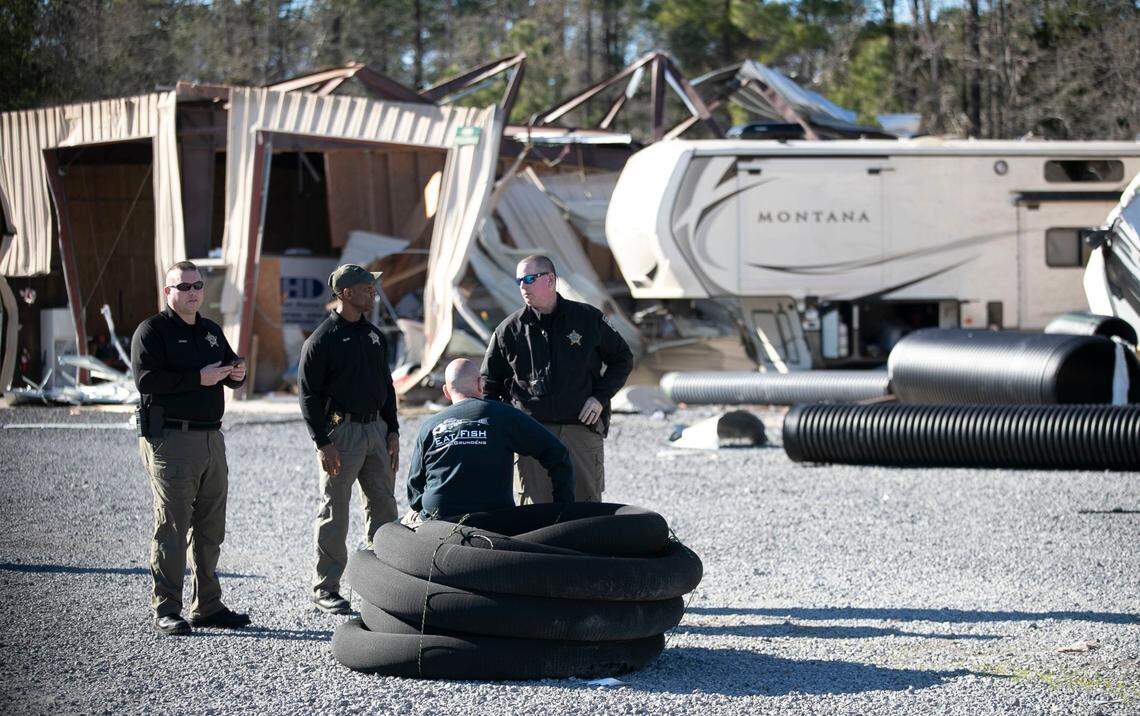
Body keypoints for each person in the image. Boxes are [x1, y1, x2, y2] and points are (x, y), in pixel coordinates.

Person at [132, 260, 250, 636]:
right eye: (183, 287)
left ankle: (208, 605)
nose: (193, 292)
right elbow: (146, 379)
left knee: (211, 525)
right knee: (173, 525)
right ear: (168, 292)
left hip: (211, 437)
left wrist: (238, 373)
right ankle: (167, 607)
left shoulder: (210, 331)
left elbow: (229, 369)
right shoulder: (153, 331)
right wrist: (197, 379)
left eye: (197, 285)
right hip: (172, 438)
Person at [481, 254, 634, 504]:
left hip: (579, 430)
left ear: (550, 280)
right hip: (531, 436)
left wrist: (599, 397)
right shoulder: (509, 330)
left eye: (530, 279)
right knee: (534, 514)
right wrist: (506, 426)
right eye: (519, 280)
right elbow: (489, 383)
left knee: (586, 511)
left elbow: (622, 359)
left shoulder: (587, 319)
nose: (523, 286)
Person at [298, 264, 400, 615]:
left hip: (376, 431)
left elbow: (387, 387)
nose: (373, 292)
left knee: (384, 506)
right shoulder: (323, 339)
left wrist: (393, 430)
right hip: (341, 434)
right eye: (367, 288)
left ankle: (384, 584)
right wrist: (322, 442)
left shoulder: (373, 336)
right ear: (345, 294)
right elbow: (308, 395)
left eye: (373, 286)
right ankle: (326, 587)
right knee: (335, 510)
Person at [404, 358, 573, 522]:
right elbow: (556, 451)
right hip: (496, 518)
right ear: (480, 384)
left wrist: (427, 510)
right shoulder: (505, 415)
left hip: (439, 519)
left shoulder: (430, 425)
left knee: (402, 523)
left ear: (446, 392)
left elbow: (414, 486)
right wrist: (561, 507)